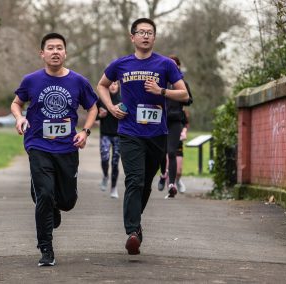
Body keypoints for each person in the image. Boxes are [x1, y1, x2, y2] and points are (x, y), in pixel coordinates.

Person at [96, 18, 189, 255]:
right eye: (141, 32)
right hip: (129, 132)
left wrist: (162, 91)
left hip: (157, 134)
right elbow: (102, 85)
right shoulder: (121, 64)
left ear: (154, 38)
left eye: (150, 32)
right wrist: (111, 106)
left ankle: (136, 226)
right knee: (134, 180)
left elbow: (184, 94)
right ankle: (132, 232)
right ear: (132, 37)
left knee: (145, 184)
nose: (145, 36)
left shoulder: (166, 64)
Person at [11, 32, 98, 267]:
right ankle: (46, 248)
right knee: (45, 195)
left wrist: (85, 131)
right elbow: (16, 102)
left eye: (60, 48)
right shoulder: (31, 80)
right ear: (42, 53)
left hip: (67, 147)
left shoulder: (78, 81)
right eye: (50, 48)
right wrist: (19, 118)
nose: (55, 51)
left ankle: (52, 204)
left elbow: (93, 108)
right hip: (38, 144)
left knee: (67, 201)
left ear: (66, 53)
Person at [157, 55, 193, 197]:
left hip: (175, 121)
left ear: (178, 66)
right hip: (160, 120)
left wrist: (177, 97)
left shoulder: (182, 83)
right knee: (161, 152)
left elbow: (189, 99)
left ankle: (171, 184)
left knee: (171, 152)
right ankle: (162, 174)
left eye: (174, 64)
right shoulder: (160, 81)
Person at [97, 81, 121, 198]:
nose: (112, 86)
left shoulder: (123, 98)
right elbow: (94, 113)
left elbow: (129, 113)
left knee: (115, 163)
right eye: (111, 84)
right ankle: (105, 175)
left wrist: (121, 112)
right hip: (105, 134)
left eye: (115, 84)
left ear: (118, 86)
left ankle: (113, 188)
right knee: (105, 158)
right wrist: (99, 115)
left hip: (118, 135)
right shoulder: (102, 98)